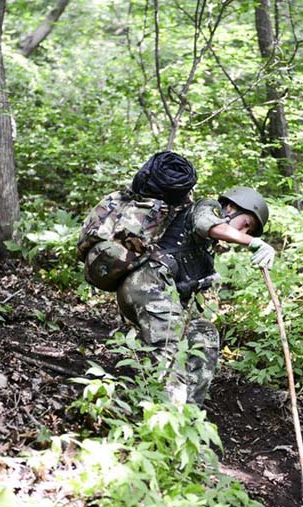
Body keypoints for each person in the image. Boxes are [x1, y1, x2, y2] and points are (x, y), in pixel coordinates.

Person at [116, 152, 276, 406]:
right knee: (170, 358)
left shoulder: (205, 250)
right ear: (231, 208)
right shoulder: (207, 207)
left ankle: (190, 414)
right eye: (245, 224)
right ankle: (164, 423)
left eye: (249, 231)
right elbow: (206, 224)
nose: (243, 232)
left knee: (204, 334)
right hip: (147, 285)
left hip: (159, 294)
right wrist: (254, 242)